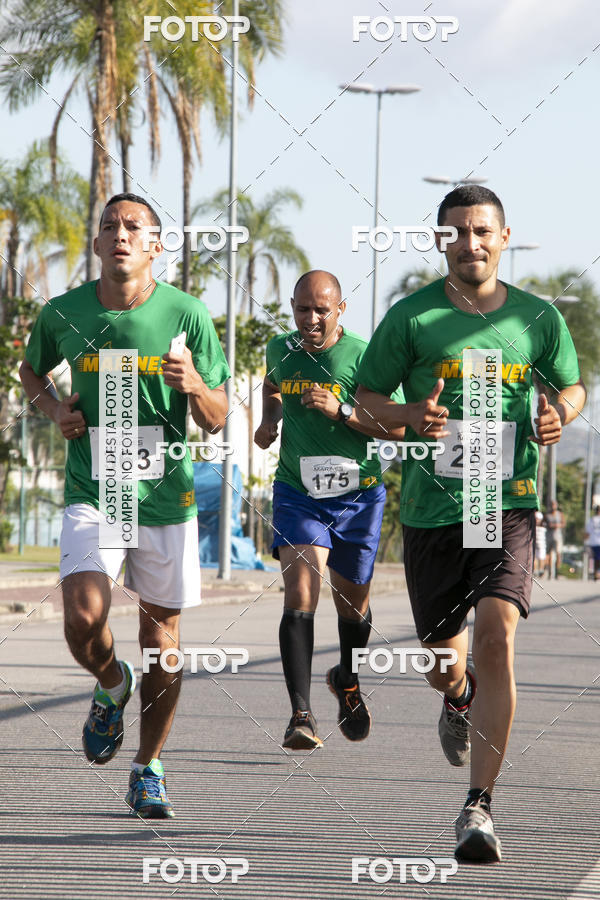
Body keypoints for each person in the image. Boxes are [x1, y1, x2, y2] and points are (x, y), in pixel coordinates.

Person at [355, 185, 585, 862]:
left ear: (504, 237)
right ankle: (455, 698)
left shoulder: (537, 318)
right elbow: (365, 403)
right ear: (440, 241)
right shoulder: (412, 320)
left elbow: (570, 384)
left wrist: (560, 414)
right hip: (430, 513)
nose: (470, 243)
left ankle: (478, 807)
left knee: (496, 638)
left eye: (482, 231)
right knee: (444, 664)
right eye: (456, 232)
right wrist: (407, 419)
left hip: (501, 501)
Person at [19, 193, 230, 818]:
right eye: (108, 226)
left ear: (156, 245)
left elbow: (218, 417)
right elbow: (31, 373)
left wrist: (194, 386)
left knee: (162, 640)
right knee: (83, 616)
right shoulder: (63, 312)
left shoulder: (187, 314)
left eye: (133, 227)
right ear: (96, 244)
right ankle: (114, 685)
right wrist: (56, 409)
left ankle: (148, 767)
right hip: (94, 490)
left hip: (166, 497)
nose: (120, 235)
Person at [254, 270, 404, 751]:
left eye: (321, 310)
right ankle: (301, 715)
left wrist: (341, 411)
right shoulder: (281, 349)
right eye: (302, 309)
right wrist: (267, 422)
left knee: (351, 603)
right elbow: (271, 386)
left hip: (358, 497)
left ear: (340, 310)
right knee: (301, 589)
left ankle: (347, 679)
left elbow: (397, 428)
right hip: (298, 491)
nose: (311, 319)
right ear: (292, 308)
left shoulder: (365, 356)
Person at [546, 499, 566, 575]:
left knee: (558, 553)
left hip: (557, 536)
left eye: (554, 505)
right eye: (551, 505)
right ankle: (548, 570)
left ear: (556, 506)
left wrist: (558, 525)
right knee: (548, 553)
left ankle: (557, 571)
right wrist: (548, 526)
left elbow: (564, 524)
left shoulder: (560, 514)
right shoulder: (547, 515)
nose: (553, 506)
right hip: (549, 536)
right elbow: (543, 523)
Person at [584, 505, 600, 580]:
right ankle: (596, 573)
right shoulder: (592, 520)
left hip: (593, 542)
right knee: (597, 559)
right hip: (595, 542)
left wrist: (585, 541)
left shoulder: (592, 520)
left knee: (595, 559)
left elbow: (588, 532)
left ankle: (595, 573)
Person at [534, 510, 548, 577]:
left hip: (542, 544)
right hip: (535, 544)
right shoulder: (533, 526)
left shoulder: (543, 526)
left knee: (541, 558)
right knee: (535, 558)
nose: (537, 520)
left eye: (538, 519)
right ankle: (536, 571)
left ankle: (541, 570)